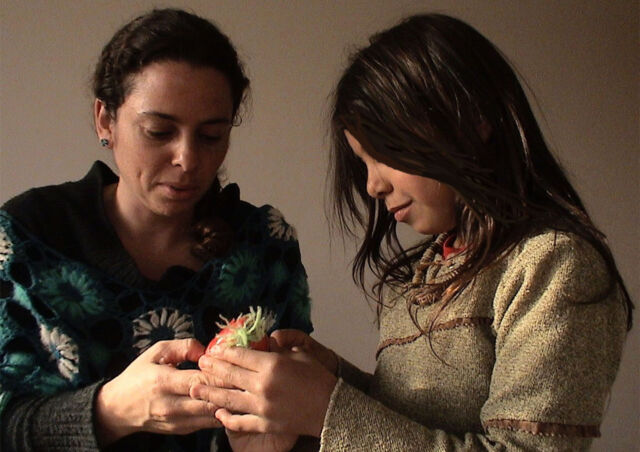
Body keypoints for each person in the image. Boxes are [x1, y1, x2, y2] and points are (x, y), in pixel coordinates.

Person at [191, 13, 633, 451]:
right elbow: (415, 426)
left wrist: (328, 408)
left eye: (383, 152)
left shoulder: (554, 264)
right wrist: (334, 382)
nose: (372, 185)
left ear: (472, 121)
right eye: (363, 163)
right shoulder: (427, 270)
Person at [0, 8, 312, 452]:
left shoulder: (263, 245)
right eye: (159, 131)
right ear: (105, 120)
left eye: (210, 136)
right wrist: (111, 410)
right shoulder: (29, 237)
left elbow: (303, 413)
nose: (187, 159)